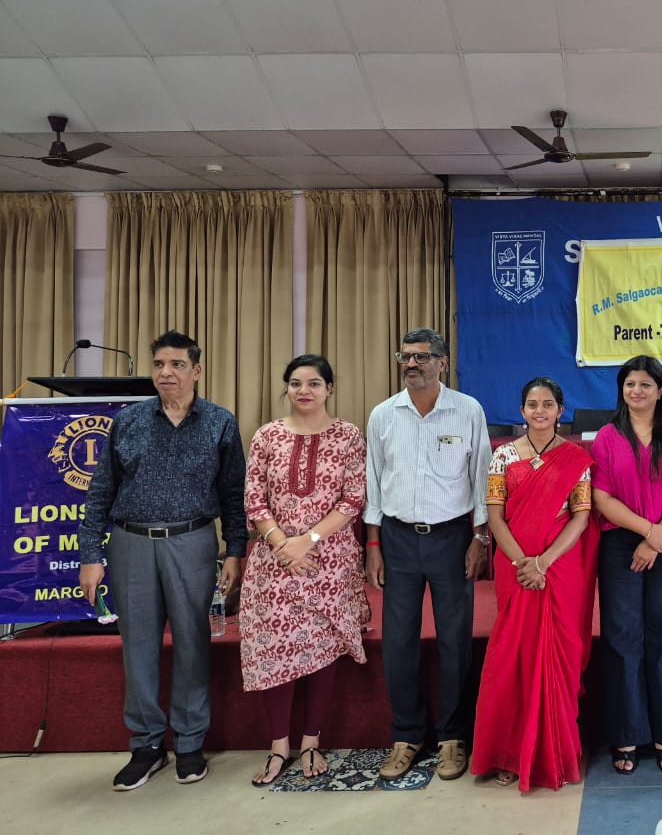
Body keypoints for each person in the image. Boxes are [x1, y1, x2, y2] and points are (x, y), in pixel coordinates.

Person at [78, 330, 248, 791]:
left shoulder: (219, 423)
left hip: (192, 541)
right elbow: (100, 493)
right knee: (138, 646)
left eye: (176, 365)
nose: (165, 373)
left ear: (196, 370)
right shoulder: (128, 421)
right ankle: (147, 745)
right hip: (129, 543)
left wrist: (235, 550)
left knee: (193, 641)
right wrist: (91, 555)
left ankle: (190, 742)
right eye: (158, 365)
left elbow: (234, 495)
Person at [364, 328, 492, 782]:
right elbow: (374, 483)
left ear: (442, 361)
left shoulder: (468, 410)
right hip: (397, 540)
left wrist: (481, 538)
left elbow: (481, 480)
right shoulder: (383, 415)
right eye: (406, 356)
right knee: (398, 642)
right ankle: (407, 736)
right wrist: (373, 544)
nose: (412, 364)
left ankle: (453, 737)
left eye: (422, 356)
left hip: (453, 539)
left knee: (456, 640)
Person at [238, 355, 370, 786]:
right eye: (295, 383)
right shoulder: (267, 436)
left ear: (330, 388)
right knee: (275, 650)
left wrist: (306, 541)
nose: (304, 391)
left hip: (328, 562)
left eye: (314, 383)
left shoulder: (349, 436)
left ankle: (311, 741)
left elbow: (353, 500)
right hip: (273, 565)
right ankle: (279, 747)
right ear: (286, 389)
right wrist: (281, 544)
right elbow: (253, 498)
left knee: (321, 649)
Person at [471, 377, 595, 791]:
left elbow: (580, 517)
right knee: (514, 654)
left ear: (560, 410)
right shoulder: (503, 456)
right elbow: (494, 516)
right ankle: (508, 751)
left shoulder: (576, 458)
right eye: (531, 405)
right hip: (514, 567)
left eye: (547, 404)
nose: (539, 411)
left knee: (559, 652)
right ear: (521, 411)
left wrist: (543, 561)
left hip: (559, 567)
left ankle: (555, 750)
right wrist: (522, 562)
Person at [590, 355, 662, 774]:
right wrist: (646, 533)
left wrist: (658, 539)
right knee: (622, 635)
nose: (636, 391)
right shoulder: (606, 436)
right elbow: (601, 498)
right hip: (621, 543)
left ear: (660, 391)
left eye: (645, 385)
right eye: (629, 384)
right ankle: (626, 735)